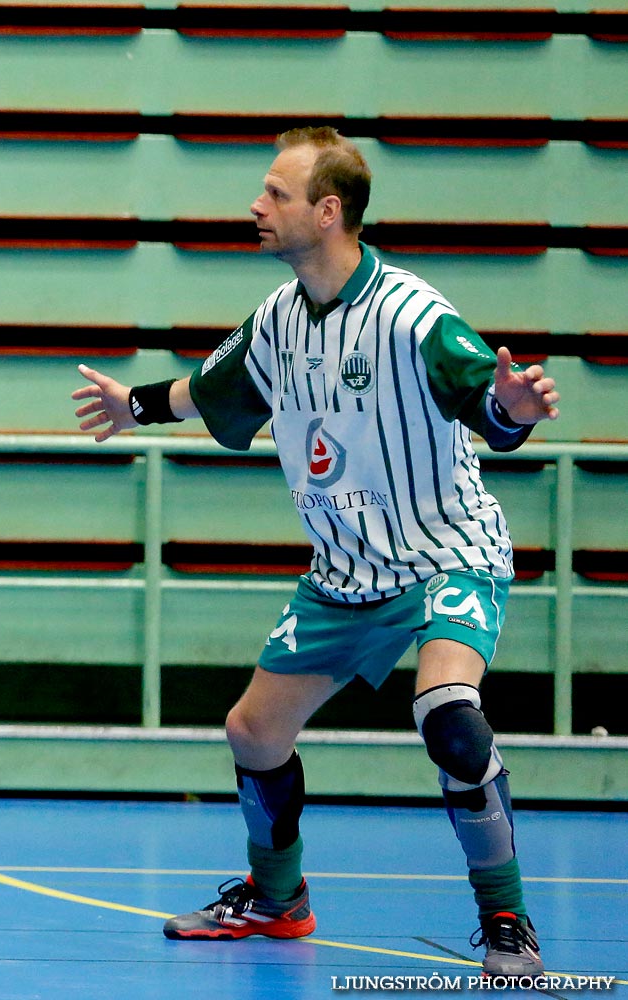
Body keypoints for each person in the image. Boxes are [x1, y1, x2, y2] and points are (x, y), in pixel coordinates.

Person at [72, 127, 559, 976]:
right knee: (253, 734)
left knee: (446, 715)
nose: (255, 207)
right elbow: (215, 391)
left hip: (447, 554)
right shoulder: (276, 318)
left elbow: (483, 398)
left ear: (327, 212)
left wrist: (511, 406)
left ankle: (506, 918)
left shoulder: (411, 314)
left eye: (274, 194)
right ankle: (276, 901)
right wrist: (136, 406)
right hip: (344, 575)